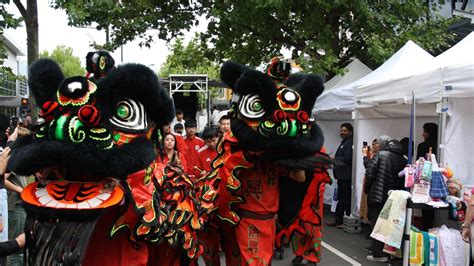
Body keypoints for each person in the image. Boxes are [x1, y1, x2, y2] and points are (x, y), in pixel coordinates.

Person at [364, 136, 406, 262]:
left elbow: (369, 173)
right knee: (389, 226)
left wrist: (367, 189)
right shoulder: (403, 160)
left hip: (377, 196)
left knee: (377, 224)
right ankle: (389, 253)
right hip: (393, 198)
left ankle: (378, 254)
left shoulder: (380, 155)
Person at [326, 123, 353, 228]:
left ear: (350, 132)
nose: (342, 132)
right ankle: (339, 220)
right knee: (342, 198)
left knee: (344, 198)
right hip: (342, 175)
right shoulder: (345, 142)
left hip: (346, 176)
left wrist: (335, 160)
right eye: (341, 130)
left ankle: (341, 220)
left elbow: (348, 157)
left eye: (345, 131)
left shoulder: (349, 143)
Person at [416, 123, 438, 231]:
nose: (422, 134)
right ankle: (432, 230)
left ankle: (425, 231)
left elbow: (419, 164)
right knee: (433, 208)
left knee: (425, 207)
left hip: (424, 180)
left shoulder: (422, 146)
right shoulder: (440, 146)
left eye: (424, 132)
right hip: (438, 180)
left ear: (429, 133)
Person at [360, 139, 378, 224]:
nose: (374, 146)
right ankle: (365, 216)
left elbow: (368, 165)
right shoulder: (371, 153)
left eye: (376, 144)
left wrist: (365, 155)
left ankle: (369, 219)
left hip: (373, 179)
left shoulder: (378, 155)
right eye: (373, 144)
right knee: (365, 197)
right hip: (367, 178)